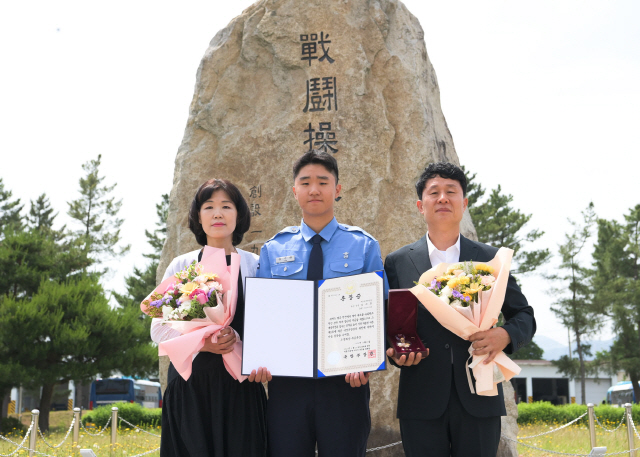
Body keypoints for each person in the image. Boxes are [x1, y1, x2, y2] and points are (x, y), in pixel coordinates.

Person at [384, 162, 536, 457]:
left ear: (464, 203)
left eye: (451, 192)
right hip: (421, 399)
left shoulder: (491, 259)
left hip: (480, 398)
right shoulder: (397, 261)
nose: (443, 198)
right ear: (420, 205)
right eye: (434, 192)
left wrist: (504, 335)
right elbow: (390, 324)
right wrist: (398, 354)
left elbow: (525, 316)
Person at [254, 149, 389, 457]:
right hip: (288, 384)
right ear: (294, 190)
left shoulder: (363, 245)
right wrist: (259, 358)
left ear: (337, 189)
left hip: (344, 383)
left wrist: (367, 362)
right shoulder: (274, 250)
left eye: (323, 182)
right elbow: (264, 316)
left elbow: (379, 310)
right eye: (305, 182)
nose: (314, 189)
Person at [150, 178, 268, 457]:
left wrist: (237, 337)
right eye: (209, 207)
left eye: (226, 206)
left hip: (241, 389)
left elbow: (267, 325)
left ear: (238, 216)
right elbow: (159, 330)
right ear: (198, 217)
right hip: (191, 389)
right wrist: (204, 342)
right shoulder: (182, 266)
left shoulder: (255, 265)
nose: (218, 213)